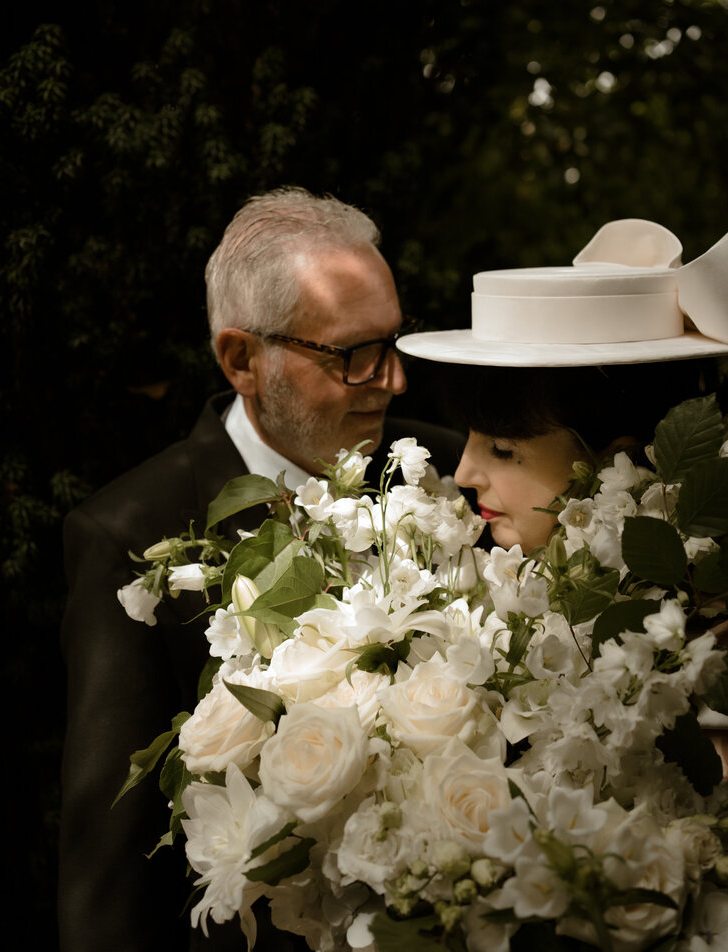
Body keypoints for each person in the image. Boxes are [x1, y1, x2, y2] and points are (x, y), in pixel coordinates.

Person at [58, 188, 466, 952]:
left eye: (394, 341)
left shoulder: (447, 467)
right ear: (242, 360)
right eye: (353, 355)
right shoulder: (131, 535)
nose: (393, 380)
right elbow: (111, 876)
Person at [398, 218, 728, 798]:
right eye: (471, 439)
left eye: (503, 450)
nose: (463, 475)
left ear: (614, 464)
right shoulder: (482, 590)